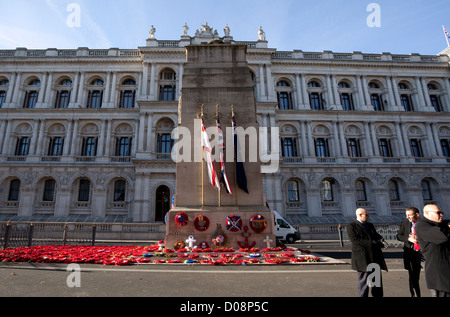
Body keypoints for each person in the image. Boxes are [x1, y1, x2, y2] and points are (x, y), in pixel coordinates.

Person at [347, 208, 388, 297]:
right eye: (366, 215)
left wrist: (381, 240)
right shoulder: (351, 226)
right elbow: (355, 240)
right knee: (364, 282)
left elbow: (375, 235)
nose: (368, 216)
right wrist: (372, 243)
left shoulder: (369, 225)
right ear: (360, 215)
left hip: (374, 256)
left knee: (376, 282)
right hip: (363, 257)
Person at [415, 204, 450, 297]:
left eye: (442, 212)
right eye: (438, 213)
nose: (441, 215)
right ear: (427, 213)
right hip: (440, 273)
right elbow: (443, 237)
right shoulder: (422, 225)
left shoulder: (441, 225)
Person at [397, 207, 423, 297]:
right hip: (411, 253)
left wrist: (418, 239)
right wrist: (408, 239)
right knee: (413, 276)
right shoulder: (405, 224)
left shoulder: (424, 224)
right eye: (406, 215)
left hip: (423, 252)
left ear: (417, 214)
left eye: (410, 215)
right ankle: (414, 294)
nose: (407, 217)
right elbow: (399, 236)